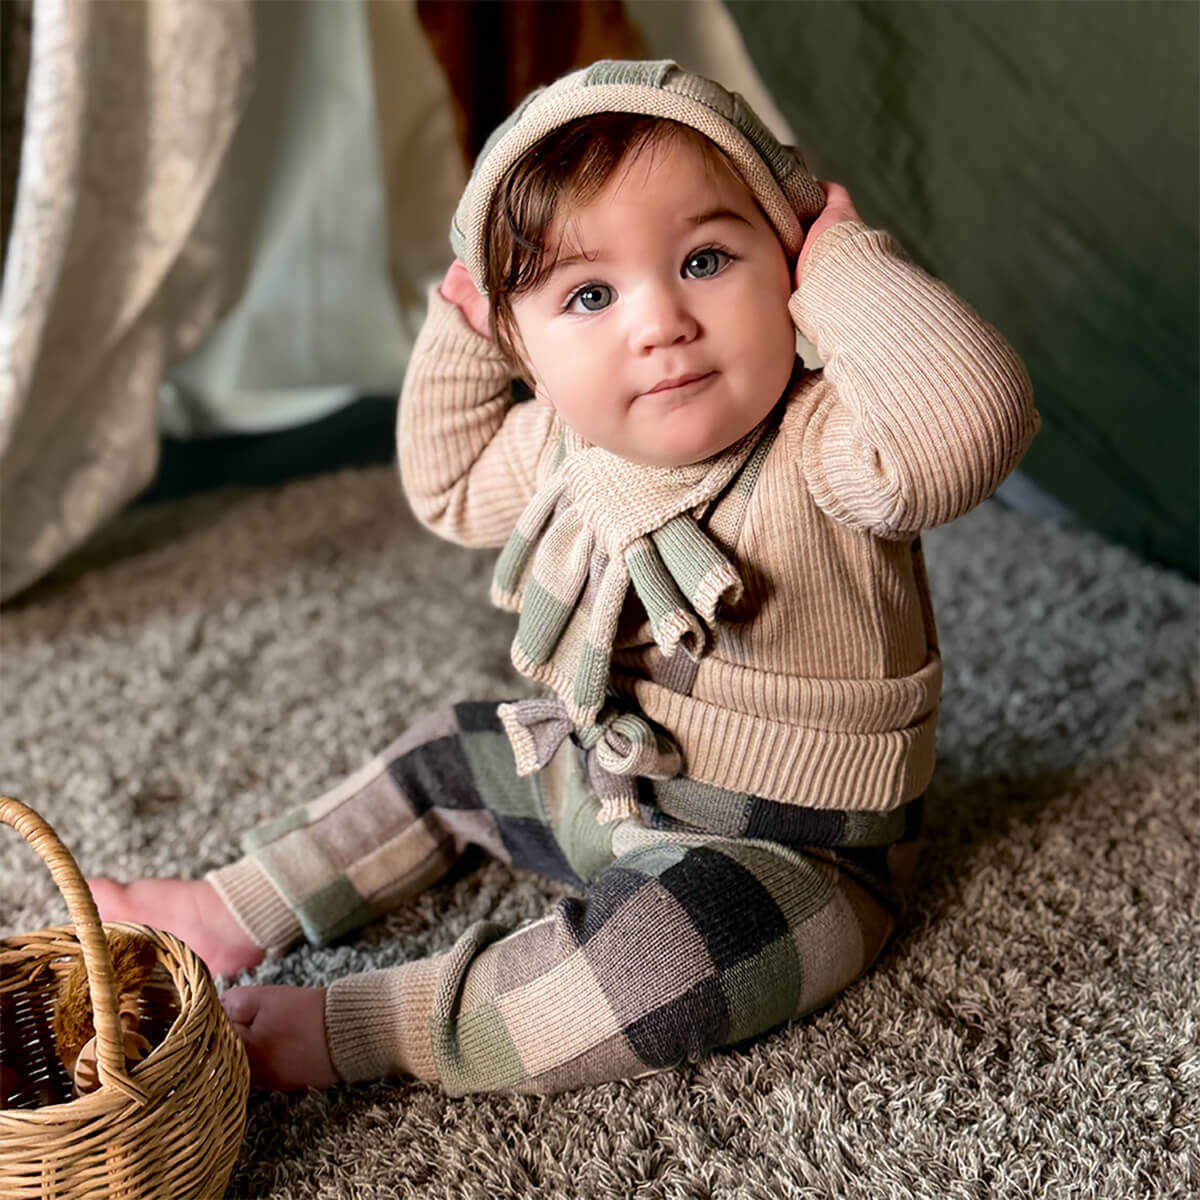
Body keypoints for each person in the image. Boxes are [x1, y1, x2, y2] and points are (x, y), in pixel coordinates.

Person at [91, 60, 1039, 1095]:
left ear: (788, 267)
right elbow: (448, 484)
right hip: (608, 775)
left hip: (800, 855)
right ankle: (231, 907)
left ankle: (369, 1024)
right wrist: (464, 334)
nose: (660, 322)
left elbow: (967, 423)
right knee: (450, 751)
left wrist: (846, 263)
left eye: (707, 260)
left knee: (657, 962)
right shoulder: (570, 442)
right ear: (528, 356)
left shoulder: (828, 442)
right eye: (589, 294)